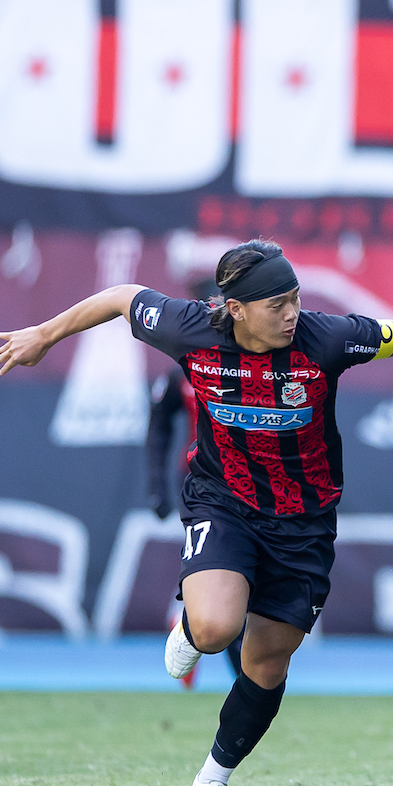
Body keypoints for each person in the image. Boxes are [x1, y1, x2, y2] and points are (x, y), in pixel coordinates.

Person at [0, 239, 393, 786]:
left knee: (267, 663)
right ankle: (194, 623)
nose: (291, 314)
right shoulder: (191, 329)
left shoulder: (328, 339)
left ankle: (211, 781)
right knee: (216, 630)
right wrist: (43, 335)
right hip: (224, 502)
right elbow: (121, 297)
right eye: (277, 305)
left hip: (304, 522)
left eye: (295, 300)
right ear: (234, 308)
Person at [146, 279, 243, 688]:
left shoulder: (262, 363)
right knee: (230, 573)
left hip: (256, 482)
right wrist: (157, 486)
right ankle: (196, 626)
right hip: (203, 483)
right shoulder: (184, 371)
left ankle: (189, 618)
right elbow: (158, 426)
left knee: (245, 578)